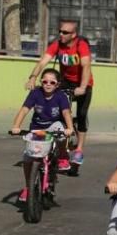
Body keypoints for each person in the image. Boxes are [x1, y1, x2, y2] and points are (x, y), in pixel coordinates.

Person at [24, 19, 92, 166]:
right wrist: (33, 77)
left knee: (81, 114)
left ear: (74, 35)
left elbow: (86, 66)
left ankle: (79, 150)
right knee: (60, 110)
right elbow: (43, 62)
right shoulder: (57, 44)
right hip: (65, 81)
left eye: (65, 32)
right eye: (60, 31)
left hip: (83, 83)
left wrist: (82, 87)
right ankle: (60, 145)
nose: (61, 34)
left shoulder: (81, 45)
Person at [9, 68, 75, 200]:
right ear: (41, 82)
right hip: (37, 128)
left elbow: (66, 113)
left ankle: (62, 155)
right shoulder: (35, 94)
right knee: (28, 157)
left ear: (57, 84)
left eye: (52, 82)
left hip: (53, 126)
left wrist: (70, 128)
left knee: (60, 132)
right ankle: (28, 187)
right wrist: (16, 126)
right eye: (45, 81)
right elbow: (24, 110)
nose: (48, 84)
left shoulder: (60, 96)